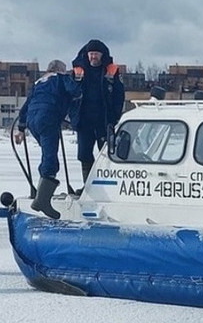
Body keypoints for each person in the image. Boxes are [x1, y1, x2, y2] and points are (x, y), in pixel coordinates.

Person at [15, 60, 81, 219]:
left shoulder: (38, 83)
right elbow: (76, 91)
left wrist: (21, 128)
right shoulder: (60, 78)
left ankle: (40, 196)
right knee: (50, 159)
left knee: (47, 154)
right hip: (48, 118)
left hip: (32, 121)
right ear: (60, 70)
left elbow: (25, 106)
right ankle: (42, 200)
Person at [69, 39, 125, 187]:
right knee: (84, 155)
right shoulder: (77, 71)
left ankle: (106, 185)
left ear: (102, 55)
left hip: (104, 121)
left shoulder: (111, 70)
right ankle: (88, 185)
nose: (93, 57)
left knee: (106, 155)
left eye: (96, 54)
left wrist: (115, 117)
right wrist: (72, 114)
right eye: (91, 54)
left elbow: (119, 95)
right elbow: (69, 93)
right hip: (84, 121)